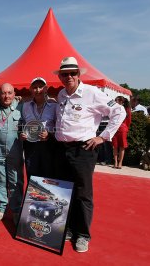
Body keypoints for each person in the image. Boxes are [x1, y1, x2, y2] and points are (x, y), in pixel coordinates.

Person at [53, 57, 126, 253]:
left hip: (83, 150)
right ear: (60, 77)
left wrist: (103, 137)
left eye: (72, 73)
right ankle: (68, 229)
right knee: (65, 192)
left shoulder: (92, 93)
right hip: (62, 149)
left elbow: (119, 111)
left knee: (83, 194)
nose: (69, 76)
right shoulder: (61, 95)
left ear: (78, 75)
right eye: (65, 74)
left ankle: (83, 235)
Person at [0, 83, 24, 225]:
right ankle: (1, 209)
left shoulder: (21, 106)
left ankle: (16, 210)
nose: (7, 96)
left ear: (14, 93)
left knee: (16, 181)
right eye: (4, 93)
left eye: (10, 93)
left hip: (15, 151)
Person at [20, 77, 57, 179]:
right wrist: (22, 134)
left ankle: (48, 195)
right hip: (31, 145)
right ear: (31, 90)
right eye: (35, 87)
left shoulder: (54, 106)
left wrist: (49, 134)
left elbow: (59, 127)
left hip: (48, 146)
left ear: (46, 89)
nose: (38, 90)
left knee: (48, 175)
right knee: (32, 176)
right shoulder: (25, 106)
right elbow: (22, 124)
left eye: (40, 87)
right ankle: (32, 196)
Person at [112, 96, 131, 169]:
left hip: (122, 129)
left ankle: (120, 163)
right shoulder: (114, 108)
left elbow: (129, 120)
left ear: (121, 102)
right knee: (115, 146)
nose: (115, 102)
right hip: (114, 128)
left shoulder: (127, 109)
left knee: (122, 146)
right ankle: (115, 162)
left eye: (116, 101)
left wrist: (126, 128)